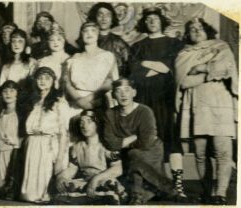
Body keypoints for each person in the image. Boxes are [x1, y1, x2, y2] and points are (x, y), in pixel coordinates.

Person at [175, 18, 238, 205]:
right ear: (187, 34)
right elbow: (183, 81)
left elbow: (226, 68)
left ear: (208, 30)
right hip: (196, 107)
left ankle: (220, 194)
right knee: (200, 154)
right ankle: (206, 191)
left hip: (220, 105)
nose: (196, 31)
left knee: (223, 153)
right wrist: (210, 73)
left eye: (200, 28)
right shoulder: (184, 53)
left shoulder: (221, 46)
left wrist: (199, 68)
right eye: (192, 29)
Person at [128, 8, 185, 197]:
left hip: (165, 99)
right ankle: (156, 185)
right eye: (148, 19)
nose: (152, 21)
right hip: (144, 100)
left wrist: (145, 64)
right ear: (144, 23)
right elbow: (135, 74)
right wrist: (159, 67)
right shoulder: (137, 46)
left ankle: (177, 186)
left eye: (156, 18)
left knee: (170, 138)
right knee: (148, 141)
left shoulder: (174, 43)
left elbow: (172, 67)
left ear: (162, 22)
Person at [101, 78, 186, 205]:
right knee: (133, 155)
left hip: (152, 149)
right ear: (113, 95)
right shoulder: (110, 114)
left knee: (134, 155)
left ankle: (138, 195)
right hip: (129, 153)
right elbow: (110, 143)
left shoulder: (145, 111)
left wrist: (123, 143)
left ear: (134, 93)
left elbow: (146, 141)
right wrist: (134, 137)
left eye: (127, 90)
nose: (123, 94)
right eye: (118, 91)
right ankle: (167, 189)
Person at [54, 110, 126, 205]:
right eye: (81, 122)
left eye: (89, 121)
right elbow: (72, 168)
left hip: (102, 180)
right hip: (85, 181)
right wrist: (61, 177)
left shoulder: (108, 145)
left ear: (97, 124)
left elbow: (118, 169)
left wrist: (95, 179)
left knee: (110, 184)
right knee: (64, 186)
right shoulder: (77, 147)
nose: (84, 126)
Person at [20, 67, 69, 203]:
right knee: (28, 196)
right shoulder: (33, 102)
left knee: (44, 192)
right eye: (40, 78)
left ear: (53, 81)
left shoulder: (59, 102)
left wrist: (59, 158)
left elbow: (64, 132)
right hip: (32, 145)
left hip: (47, 144)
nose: (43, 81)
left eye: (47, 78)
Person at [64, 21, 119, 114]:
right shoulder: (73, 58)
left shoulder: (107, 56)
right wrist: (79, 100)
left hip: (100, 101)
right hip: (76, 103)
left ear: (98, 34)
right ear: (81, 35)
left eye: (93, 30)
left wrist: (88, 100)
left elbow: (110, 82)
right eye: (85, 31)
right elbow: (67, 83)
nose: (89, 33)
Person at [0, 80, 23, 198]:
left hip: (14, 153)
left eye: (11, 91)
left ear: (17, 94)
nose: (8, 94)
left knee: (12, 184)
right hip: (0, 153)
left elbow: (23, 136)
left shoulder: (21, 114)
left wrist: (15, 142)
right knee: (1, 185)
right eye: (5, 91)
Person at [86, 3, 130, 77]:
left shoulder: (120, 43)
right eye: (100, 15)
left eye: (108, 15)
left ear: (112, 19)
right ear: (95, 18)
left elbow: (127, 70)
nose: (104, 18)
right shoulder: (87, 40)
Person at [37, 24, 70, 89]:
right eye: (52, 40)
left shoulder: (71, 59)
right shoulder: (43, 61)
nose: (55, 42)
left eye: (59, 39)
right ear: (48, 42)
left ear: (64, 40)